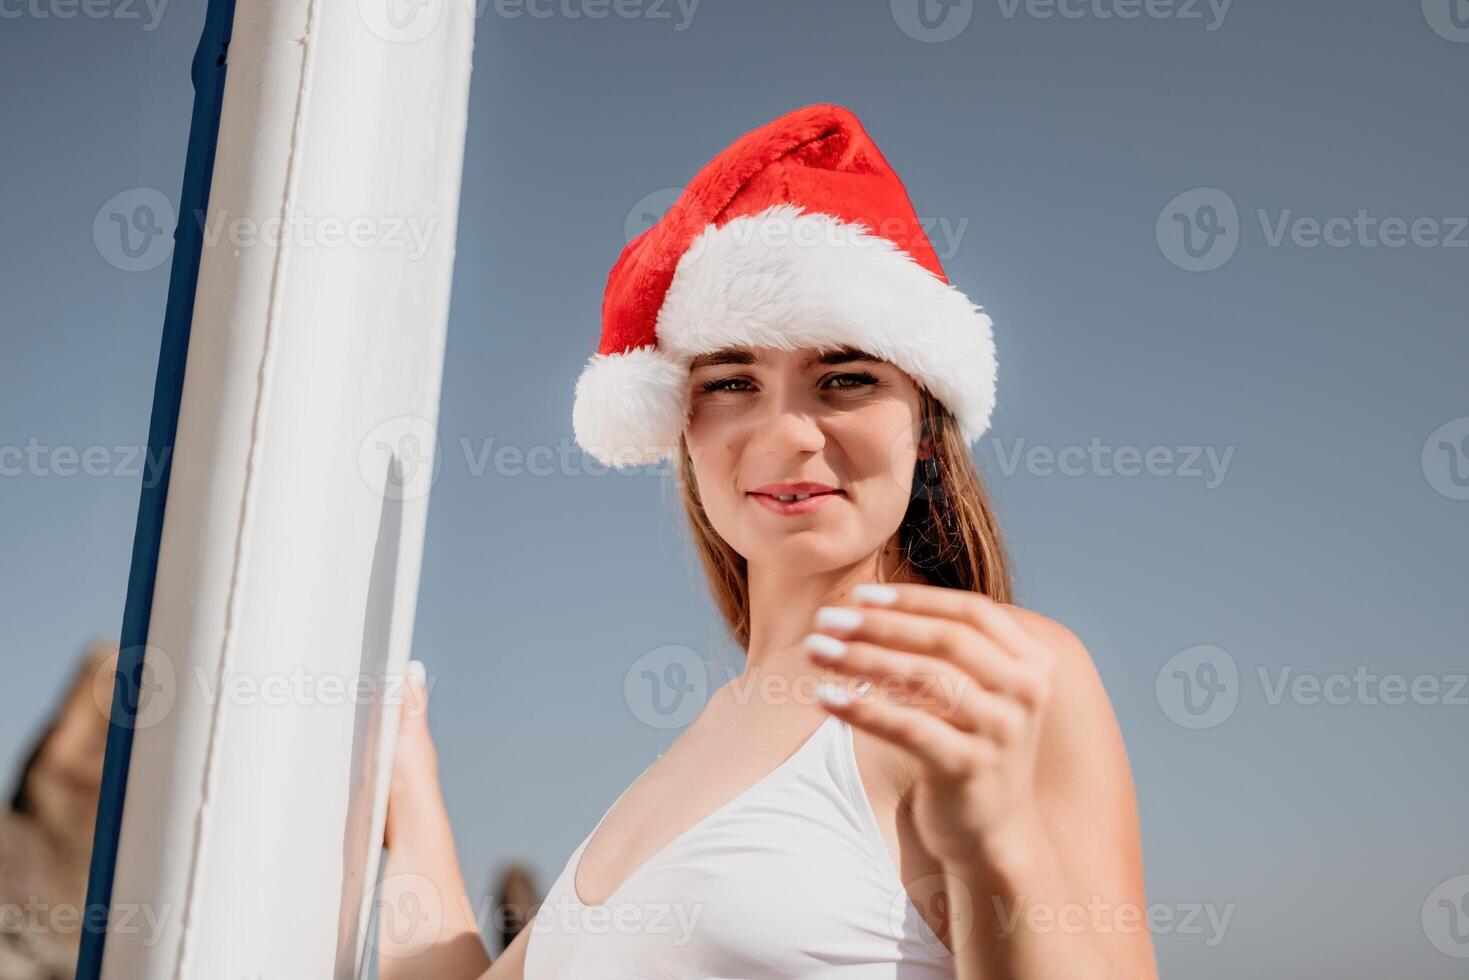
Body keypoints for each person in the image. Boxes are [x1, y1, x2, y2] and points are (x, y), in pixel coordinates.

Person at [378, 103, 1155, 979]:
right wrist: (408, 796)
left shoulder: (992, 676)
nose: (786, 434)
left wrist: (1000, 853)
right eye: (733, 380)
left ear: (927, 424)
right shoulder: (698, 741)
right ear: (683, 429)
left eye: (846, 378)